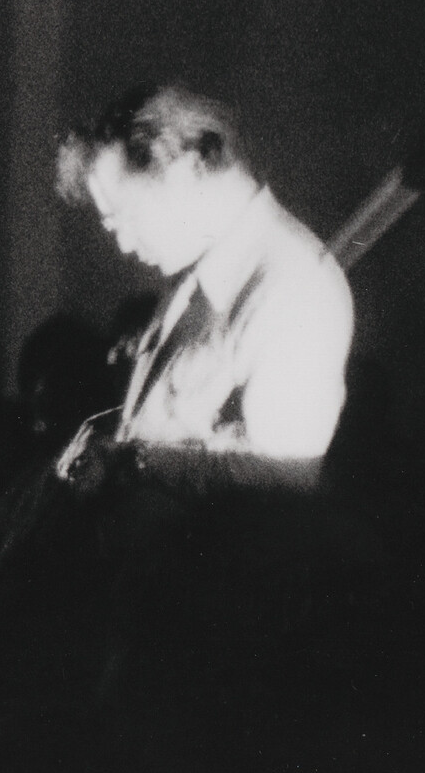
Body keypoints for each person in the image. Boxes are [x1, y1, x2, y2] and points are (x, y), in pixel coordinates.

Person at [53, 83, 353, 488]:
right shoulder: (196, 274)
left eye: (126, 216)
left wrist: (131, 463)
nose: (124, 244)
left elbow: (280, 491)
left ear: (188, 169)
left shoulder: (294, 292)